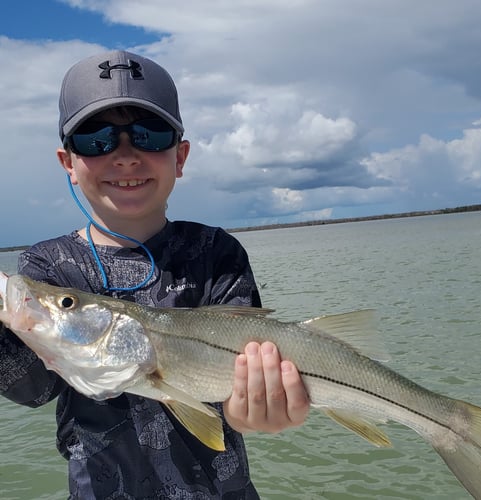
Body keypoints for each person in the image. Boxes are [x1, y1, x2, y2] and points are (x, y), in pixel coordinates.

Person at [0, 50, 310, 498]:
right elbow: (33, 389)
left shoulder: (216, 252)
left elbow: (233, 404)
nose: (125, 157)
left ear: (180, 157)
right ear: (67, 162)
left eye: (149, 135)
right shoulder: (49, 266)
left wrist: (259, 410)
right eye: (95, 139)